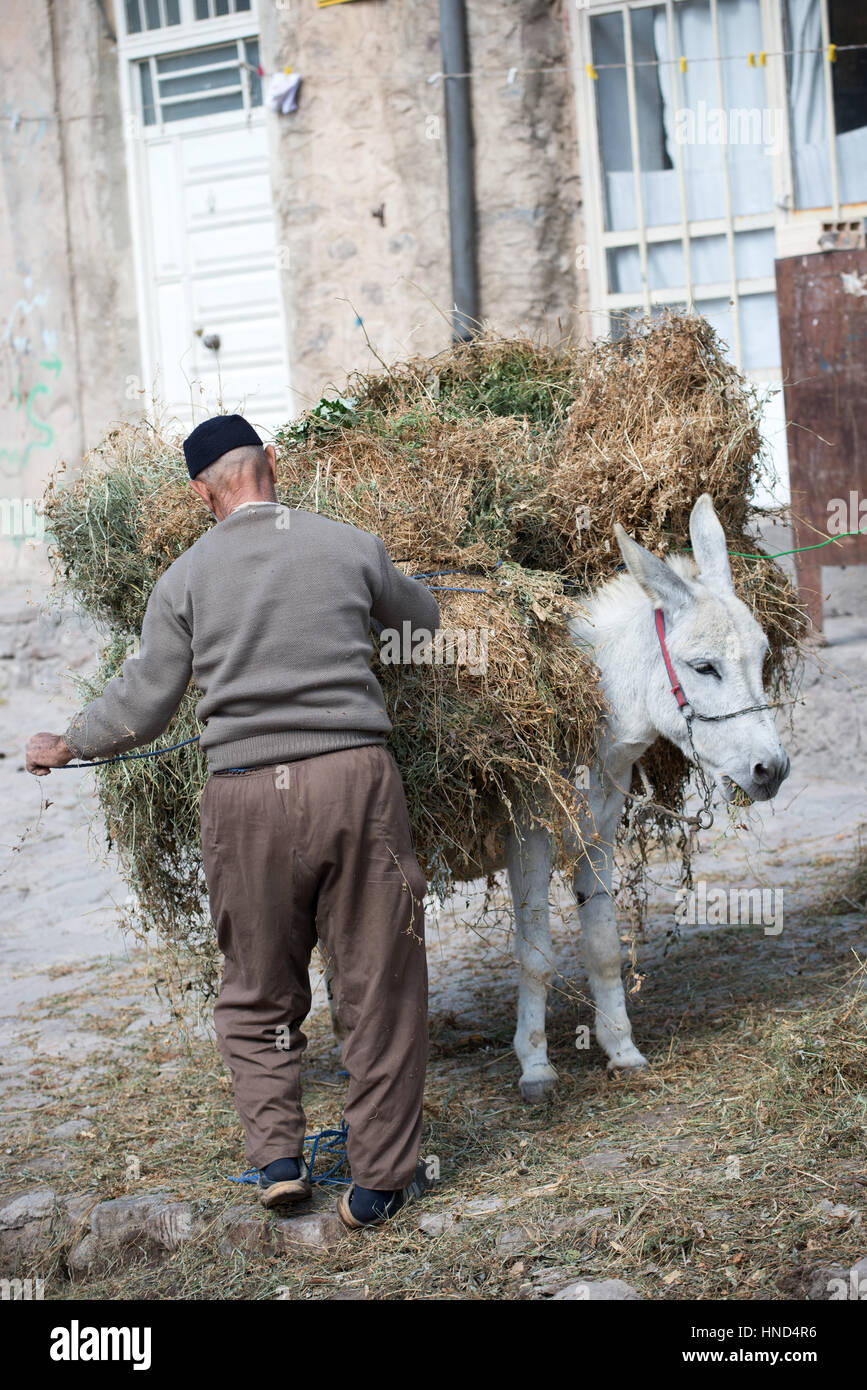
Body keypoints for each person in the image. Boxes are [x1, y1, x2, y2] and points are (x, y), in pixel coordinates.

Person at [26, 413, 440, 1229]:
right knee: (378, 982)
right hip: (354, 782)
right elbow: (420, 627)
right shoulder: (348, 544)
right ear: (271, 465)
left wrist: (67, 742)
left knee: (256, 991)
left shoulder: (185, 576)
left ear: (198, 492)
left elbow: (142, 702)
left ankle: (280, 1161)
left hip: (243, 796)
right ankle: (380, 1182)